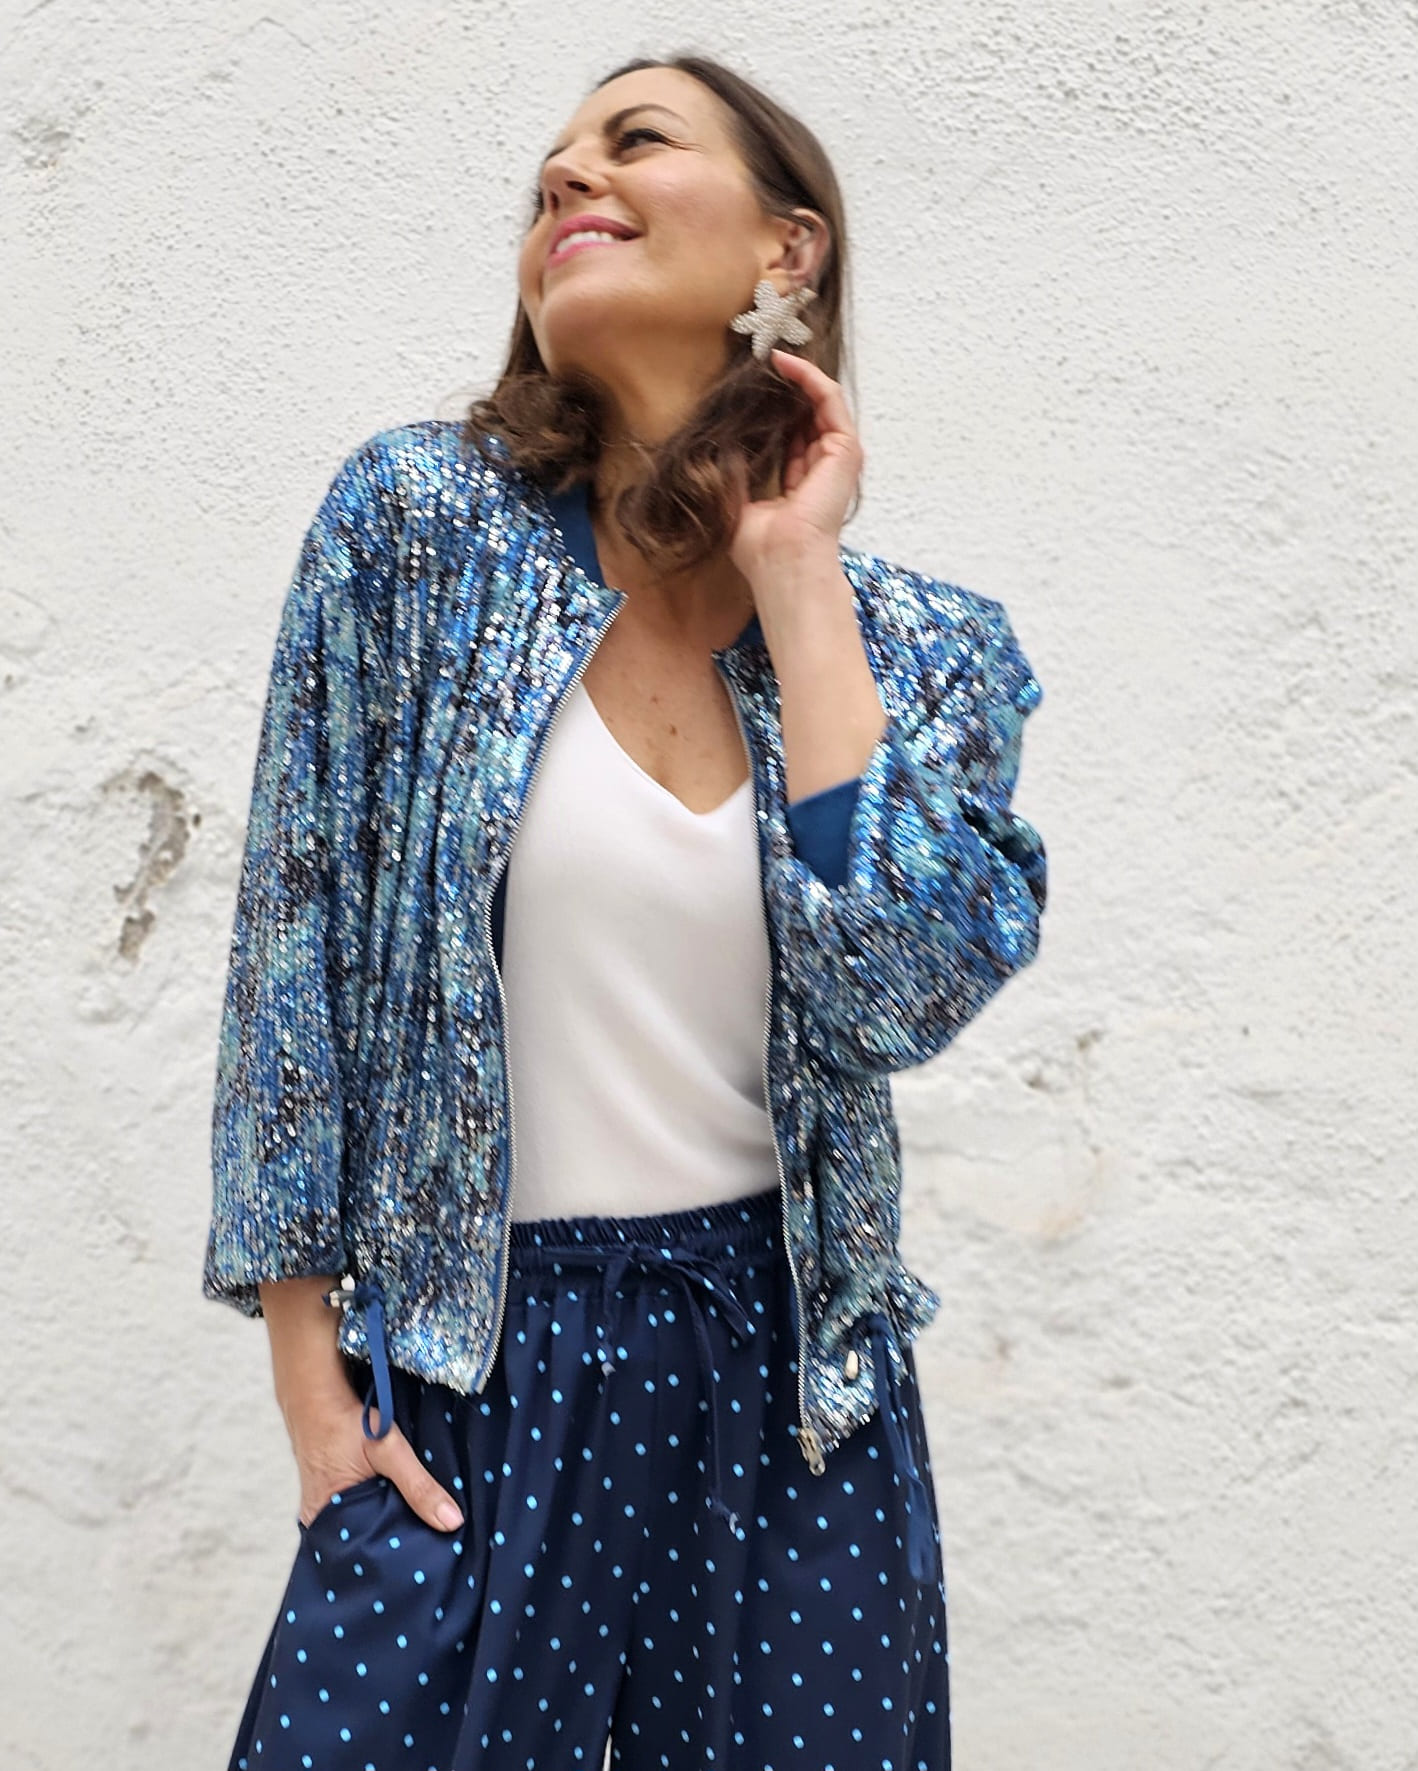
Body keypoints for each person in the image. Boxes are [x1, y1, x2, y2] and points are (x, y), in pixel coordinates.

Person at [204, 51, 1047, 1771]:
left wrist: (795, 575)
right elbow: (296, 951)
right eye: (548, 172)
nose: (567, 178)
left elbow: (898, 990)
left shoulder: (925, 648)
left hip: (794, 1403)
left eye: (634, 141)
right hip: (471, 1372)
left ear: (785, 249)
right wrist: (314, 1390)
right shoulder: (414, 530)